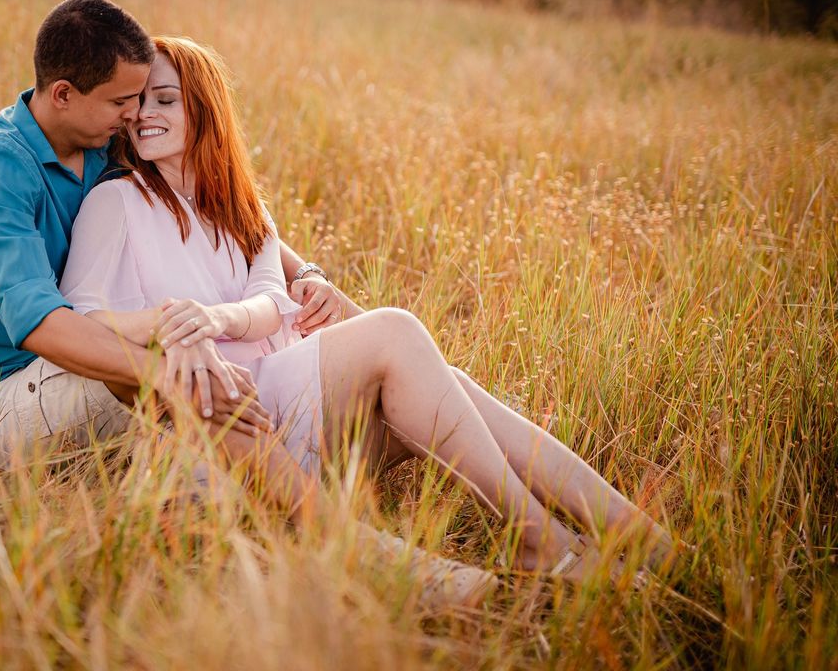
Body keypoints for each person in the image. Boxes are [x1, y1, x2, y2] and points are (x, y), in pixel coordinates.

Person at [58, 35, 676, 585]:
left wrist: (219, 318)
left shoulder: (243, 210)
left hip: (290, 413)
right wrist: (171, 320)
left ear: (205, 107)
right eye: (139, 103)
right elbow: (80, 319)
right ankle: (541, 539)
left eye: (165, 99)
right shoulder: (118, 202)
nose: (144, 116)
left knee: (452, 386)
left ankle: (637, 533)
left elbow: (275, 300)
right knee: (395, 331)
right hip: (226, 426)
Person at [0, 0, 494, 609]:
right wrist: (168, 363)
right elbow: (42, 326)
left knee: (201, 374)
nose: (134, 114)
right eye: (124, 101)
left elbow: (216, 202)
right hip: (5, 392)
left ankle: (237, 499)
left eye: (142, 99)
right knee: (185, 368)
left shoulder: (96, 137)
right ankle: (360, 550)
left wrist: (300, 270)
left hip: (85, 366)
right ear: (64, 93)